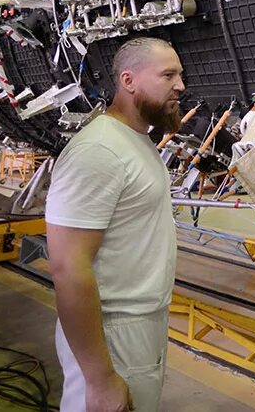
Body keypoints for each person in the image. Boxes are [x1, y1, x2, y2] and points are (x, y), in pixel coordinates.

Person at [47, 37, 186, 412]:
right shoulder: (100, 150)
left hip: (138, 323)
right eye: (168, 75)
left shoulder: (135, 141)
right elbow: (67, 267)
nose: (181, 86)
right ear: (129, 81)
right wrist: (100, 377)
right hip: (112, 329)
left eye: (180, 75)